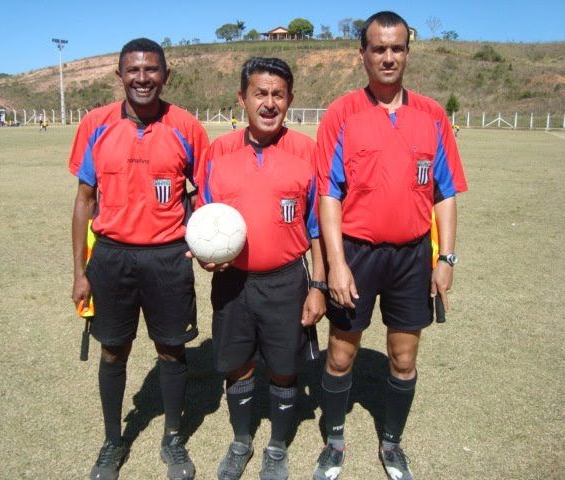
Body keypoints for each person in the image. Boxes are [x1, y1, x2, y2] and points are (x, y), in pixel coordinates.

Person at [312, 12, 468, 480]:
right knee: (341, 354)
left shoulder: (432, 114)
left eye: (396, 48)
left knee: (403, 358)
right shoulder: (342, 113)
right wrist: (337, 265)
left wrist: (446, 258)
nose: (388, 57)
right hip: (356, 254)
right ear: (362, 54)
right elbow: (328, 194)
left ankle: (393, 443)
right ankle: (334, 441)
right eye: (378, 48)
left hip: (412, 257)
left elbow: (445, 192)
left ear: (407, 52)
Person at [69, 38, 210, 480]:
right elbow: (84, 200)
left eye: (151, 70)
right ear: (120, 75)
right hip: (111, 257)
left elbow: (203, 193)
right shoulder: (95, 124)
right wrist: (79, 272)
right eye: (133, 70)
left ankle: (173, 440)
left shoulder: (187, 126)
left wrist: (202, 238)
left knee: (171, 350)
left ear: (166, 75)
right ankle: (113, 441)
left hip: (168, 257)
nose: (142, 78)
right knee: (113, 350)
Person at [194, 57, 327, 480]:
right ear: (242, 98)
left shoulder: (307, 151)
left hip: (287, 281)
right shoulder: (219, 151)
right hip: (232, 282)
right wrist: (204, 254)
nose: (269, 103)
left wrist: (318, 285)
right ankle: (241, 440)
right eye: (260, 94)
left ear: (289, 99)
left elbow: (318, 227)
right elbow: (204, 218)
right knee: (238, 363)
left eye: (278, 95)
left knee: (285, 368)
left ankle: (276, 447)